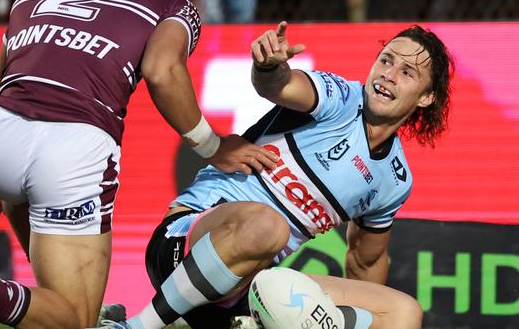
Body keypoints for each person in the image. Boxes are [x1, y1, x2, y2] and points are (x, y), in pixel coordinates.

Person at [0, 0, 277, 329]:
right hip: (70, 146)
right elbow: (162, 71)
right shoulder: (171, 4)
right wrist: (214, 147)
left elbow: (8, 78)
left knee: (59, 282)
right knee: (77, 323)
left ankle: (54, 300)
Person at [101, 22, 454, 329]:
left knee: (404, 313)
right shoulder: (341, 98)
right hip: (181, 246)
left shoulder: (394, 180)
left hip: (248, 290)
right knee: (270, 227)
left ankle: (192, 320)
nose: (388, 75)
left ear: (425, 97)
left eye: (407, 72)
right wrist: (268, 67)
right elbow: (280, 86)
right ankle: (134, 327)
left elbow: (366, 261)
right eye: (386, 60)